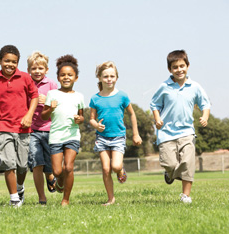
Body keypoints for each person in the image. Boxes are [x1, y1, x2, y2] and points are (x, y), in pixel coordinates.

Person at [150, 50, 211, 204]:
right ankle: (170, 174)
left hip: (187, 132)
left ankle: (185, 195)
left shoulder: (195, 86)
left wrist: (204, 116)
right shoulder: (164, 87)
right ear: (170, 69)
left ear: (188, 66)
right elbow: (154, 104)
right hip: (166, 133)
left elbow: (205, 104)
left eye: (182, 66)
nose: (179, 70)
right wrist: (157, 119)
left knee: (188, 163)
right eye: (175, 67)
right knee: (169, 163)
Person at [0, 45, 39, 207]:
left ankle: (20, 187)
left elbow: (35, 96)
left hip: (23, 127)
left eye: (14, 62)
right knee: (8, 163)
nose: (10, 64)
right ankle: (14, 198)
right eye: (6, 61)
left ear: (18, 63)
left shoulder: (25, 78)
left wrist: (29, 115)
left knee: (22, 165)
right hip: (2, 126)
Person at [89, 61, 142, 206]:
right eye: (105, 76)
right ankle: (111, 199)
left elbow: (132, 114)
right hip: (102, 138)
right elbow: (91, 119)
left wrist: (135, 134)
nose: (109, 79)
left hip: (118, 136)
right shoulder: (95, 98)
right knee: (106, 169)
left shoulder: (122, 96)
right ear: (99, 78)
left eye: (112, 76)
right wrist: (96, 125)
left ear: (117, 78)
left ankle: (120, 171)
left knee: (116, 166)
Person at [41, 55, 85, 206]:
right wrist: (50, 108)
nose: (66, 77)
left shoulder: (79, 96)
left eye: (70, 75)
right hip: (56, 137)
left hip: (72, 135)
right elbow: (44, 115)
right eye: (63, 75)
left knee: (69, 167)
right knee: (58, 171)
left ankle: (65, 199)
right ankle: (59, 182)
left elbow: (81, 116)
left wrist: (80, 120)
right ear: (58, 78)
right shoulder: (52, 94)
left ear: (76, 78)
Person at [27, 51, 58, 205]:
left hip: (50, 129)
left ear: (46, 70)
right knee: (36, 163)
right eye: (33, 68)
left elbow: (59, 104)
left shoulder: (51, 84)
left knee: (50, 164)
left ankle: (50, 176)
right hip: (32, 131)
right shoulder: (26, 83)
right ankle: (42, 198)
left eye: (40, 68)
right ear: (28, 70)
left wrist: (48, 100)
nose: (37, 71)